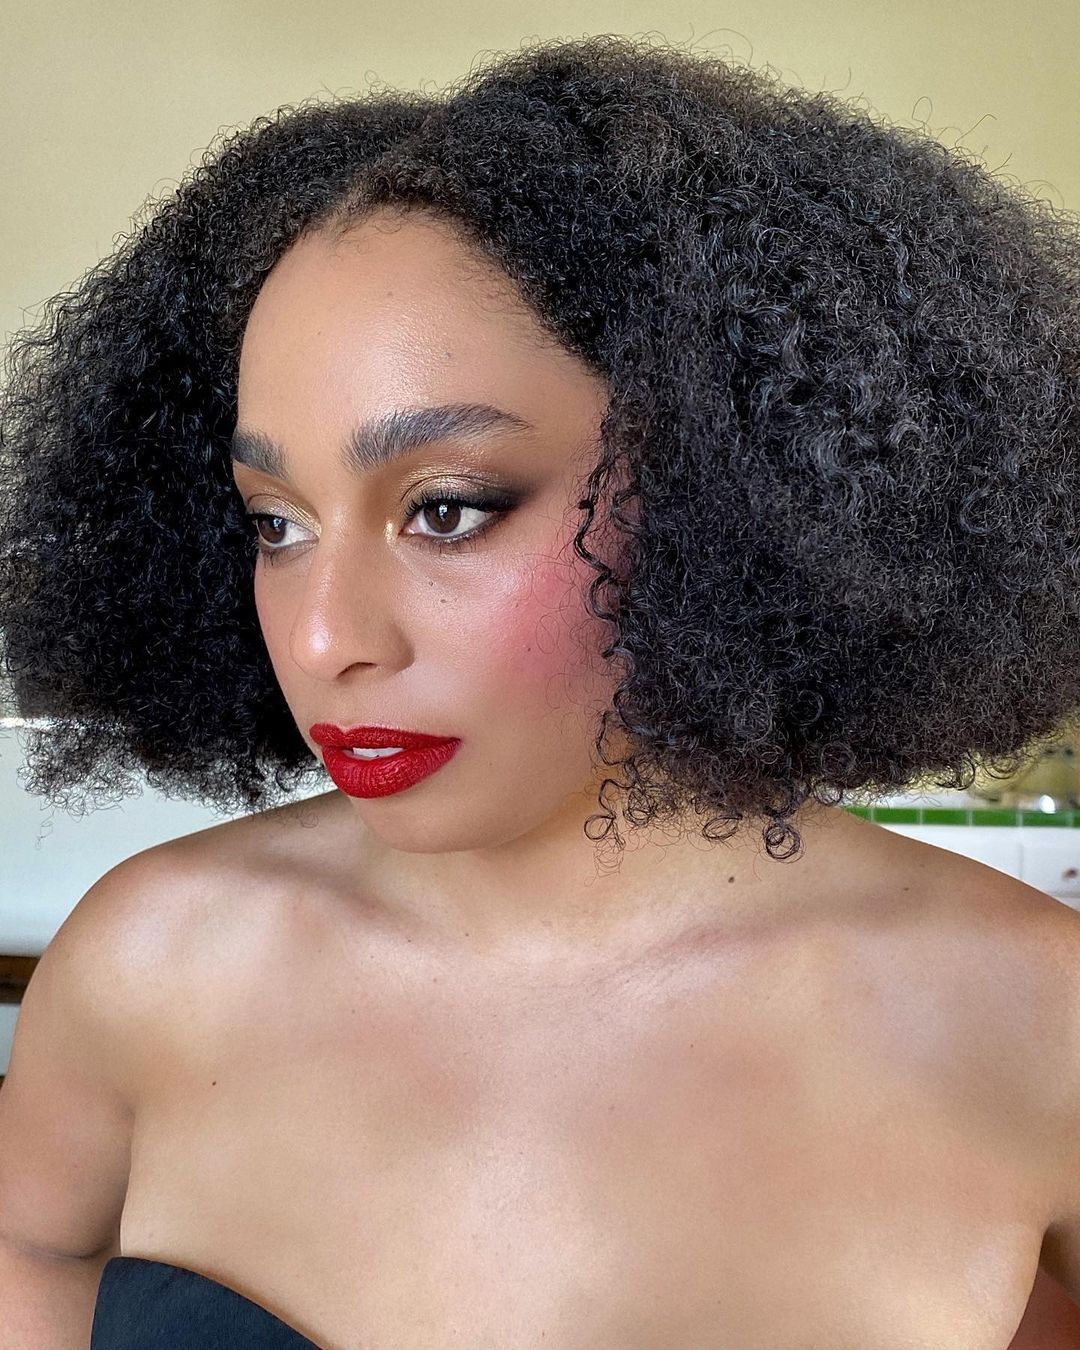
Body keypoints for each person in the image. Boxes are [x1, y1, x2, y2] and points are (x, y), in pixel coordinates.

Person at [1, 31, 1079, 1349]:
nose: (326, 635)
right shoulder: (147, 963)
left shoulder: (1035, 1022)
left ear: (734, 491)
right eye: (275, 522)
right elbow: (31, 1251)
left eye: (448, 508)